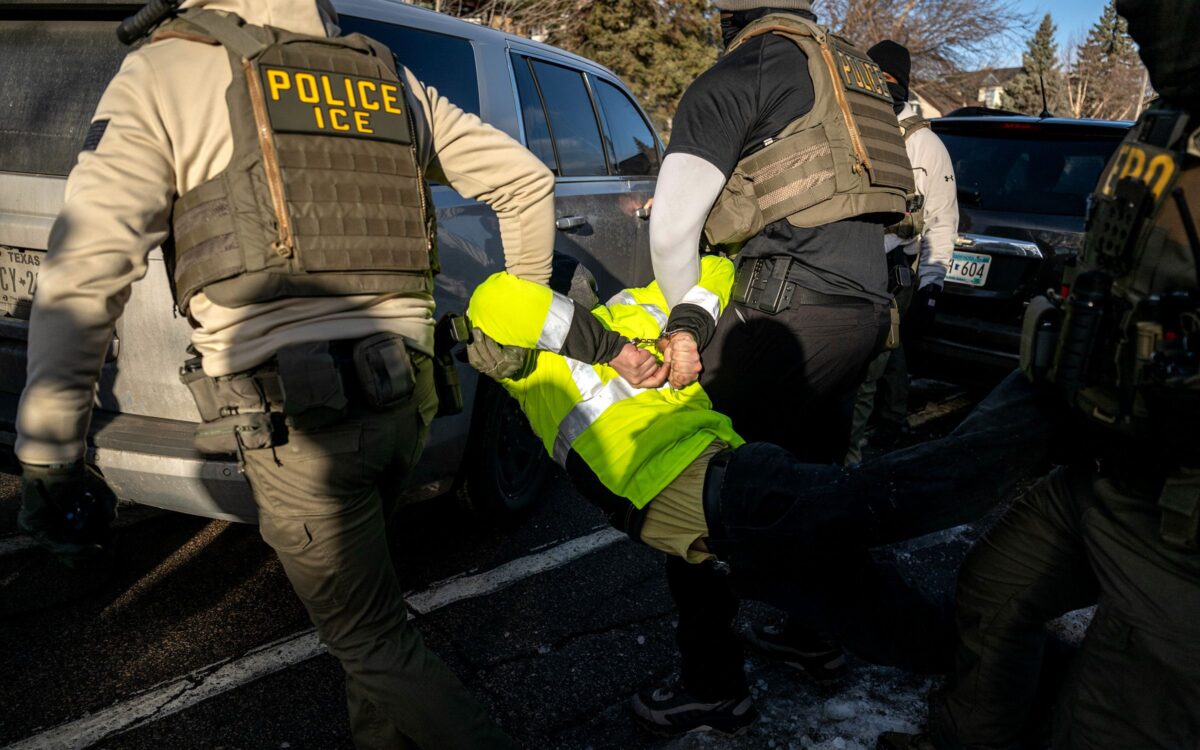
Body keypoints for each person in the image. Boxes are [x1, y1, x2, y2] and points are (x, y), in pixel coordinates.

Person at [14, 1, 557, 747]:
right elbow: (527, 182)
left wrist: (50, 455)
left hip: (297, 422)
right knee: (371, 623)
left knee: (370, 641)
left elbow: (82, 276)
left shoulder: (169, 68)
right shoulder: (382, 75)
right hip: (410, 401)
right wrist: (517, 333)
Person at [463, 255, 1055, 736]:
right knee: (887, 616)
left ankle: (1048, 393)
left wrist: (683, 330)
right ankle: (1050, 670)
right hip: (716, 523)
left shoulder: (638, 304)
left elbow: (715, 267)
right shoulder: (534, 362)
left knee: (903, 496)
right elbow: (498, 300)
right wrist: (611, 349)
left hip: (730, 483)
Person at [878, 1, 1200, 747]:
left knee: (1116, 709)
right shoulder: (1167, 124)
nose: (1128, 9)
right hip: (1099, 459)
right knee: (994, 590)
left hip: (1179, 514)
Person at [645, 0, 916, 724]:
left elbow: (673, 231)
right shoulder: (850, 72)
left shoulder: (746, 69)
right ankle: (813, 638)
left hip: (786, 309)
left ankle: (712, 683)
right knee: (810, 481)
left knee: (696, 483)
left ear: (731, 15)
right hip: (864, 314)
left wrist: (683, 330)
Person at [845, 40, 958, 463]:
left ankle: (849, 460)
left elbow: (942, 219)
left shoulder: (925, 146)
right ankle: (893, 420)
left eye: (889, 81)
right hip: (848, 261)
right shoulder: (852, 124)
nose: (881, 89)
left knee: (867, 368)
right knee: (889, 352)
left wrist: (932, 283)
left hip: (893, 269)